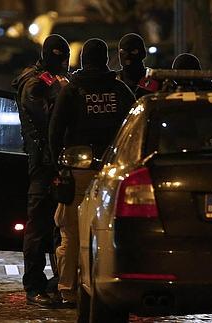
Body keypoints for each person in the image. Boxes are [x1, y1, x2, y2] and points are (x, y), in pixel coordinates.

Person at [49, 38, 135, 305]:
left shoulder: (72, 90)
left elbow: (54, 131)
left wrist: (58, 166)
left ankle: (68, 289)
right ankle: (106, 287)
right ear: (106, 59)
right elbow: (132, 129)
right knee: (108, 231)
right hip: (112, 172)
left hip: (78, 171)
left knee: (71, 232)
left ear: (83, 60)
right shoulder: (120, 90)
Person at [12, 34, 70, 308]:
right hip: (42, 164)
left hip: (58, 161)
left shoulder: (52, 81)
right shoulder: (34, 84)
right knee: (37, 226)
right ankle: (34, 285)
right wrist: (61, 92)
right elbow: (48, 117)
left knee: (61, 226)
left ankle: (60, 281)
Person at [117, 33, 159, 99]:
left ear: (142, 53)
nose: (127, 56)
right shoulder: (115, 81)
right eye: (123, 52)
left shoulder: (153, 79)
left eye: (133, 51)